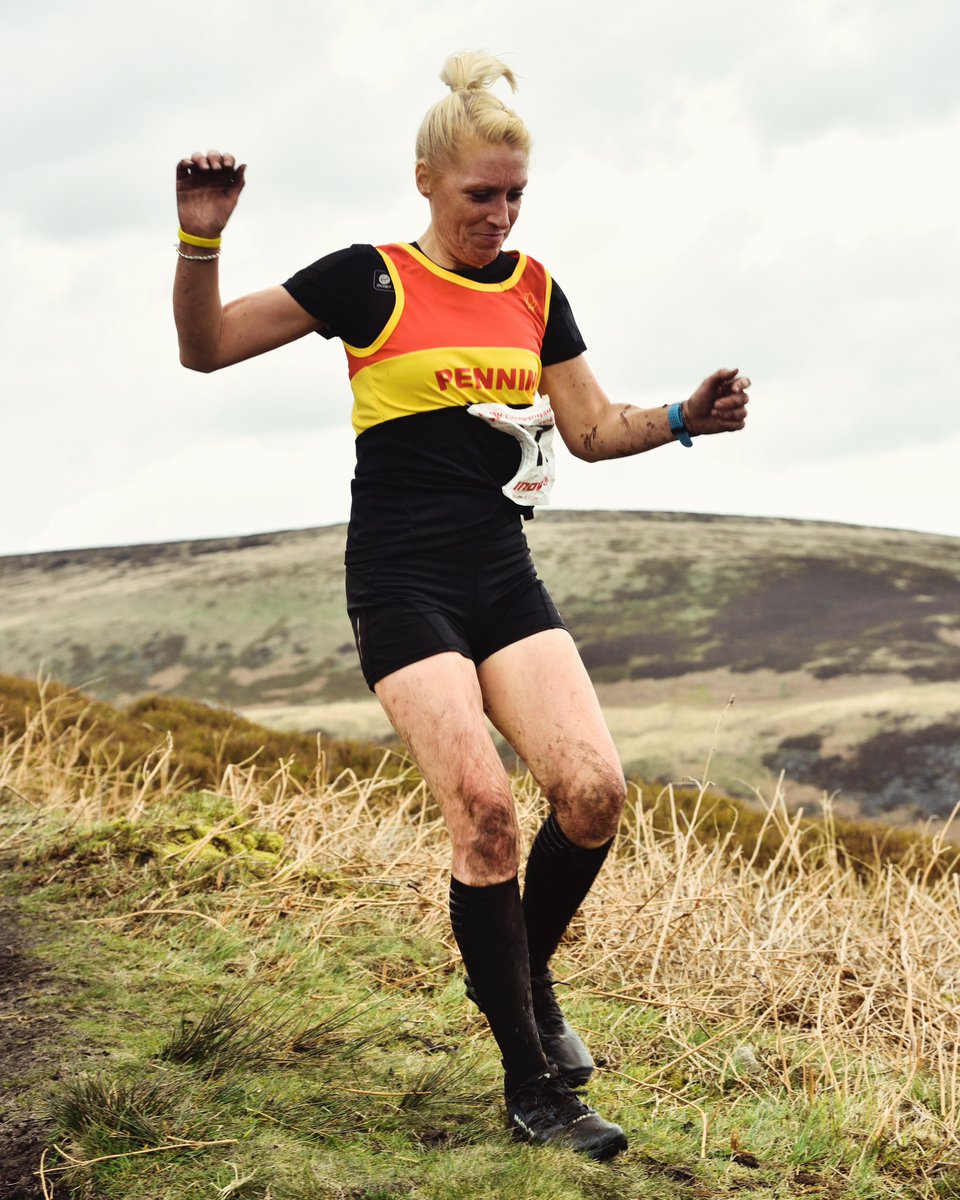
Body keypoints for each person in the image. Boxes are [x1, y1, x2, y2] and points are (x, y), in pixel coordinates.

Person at [173, 51, 749, 1161]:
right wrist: (202, 236)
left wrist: (684, 415)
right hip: (401, 582)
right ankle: (534, 1086)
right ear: (429, 179)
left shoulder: (535, 289)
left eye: (515, 195)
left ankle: (520, 981)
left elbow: (586, 430)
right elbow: (204, 351)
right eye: (480, 194)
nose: (499, 214)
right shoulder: (366, 279)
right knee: (485, 813)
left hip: (502, 577)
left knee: (592, 794)